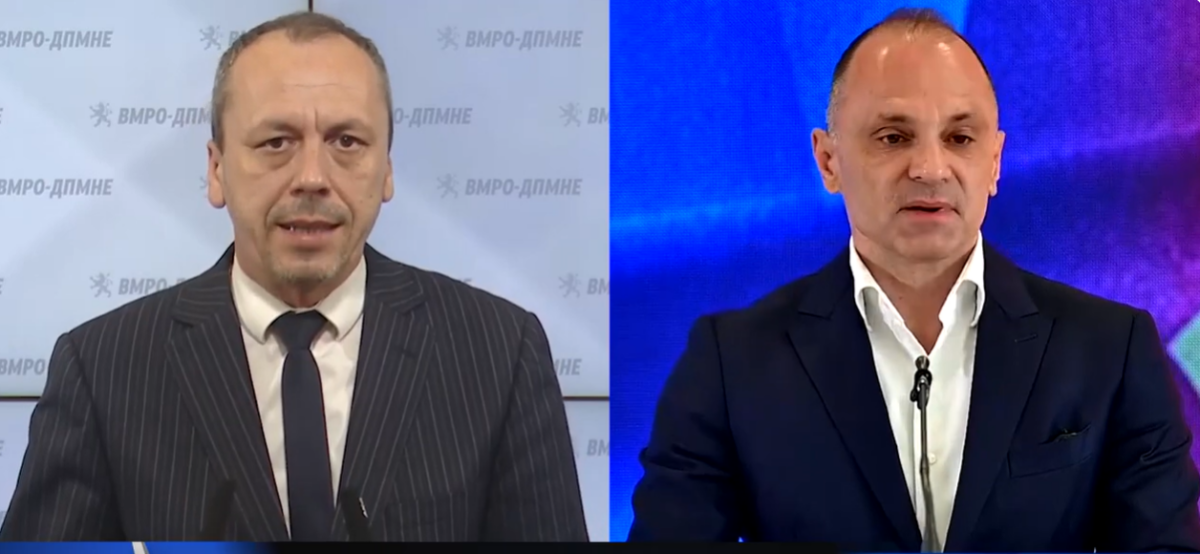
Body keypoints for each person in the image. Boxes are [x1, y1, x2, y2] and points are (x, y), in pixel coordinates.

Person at [0, 12, 587, 542]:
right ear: (216, 170)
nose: (312, 177)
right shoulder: (104, 368)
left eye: (346, 142)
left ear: (386, 169)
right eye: (276, 142)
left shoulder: (498, 352)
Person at [627, 8, 1200, 551]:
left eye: (960, 138)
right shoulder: (731, 364)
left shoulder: (1111, 350)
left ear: (994, 162)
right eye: (893, 137)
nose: (929, 168)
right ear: (828, 160)